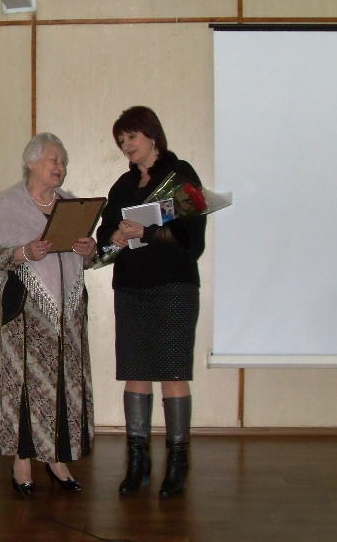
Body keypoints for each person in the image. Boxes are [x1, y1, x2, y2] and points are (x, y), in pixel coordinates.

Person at [0, 132, 96, 496]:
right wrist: (24, 252)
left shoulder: (71, 204)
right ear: (31, 162)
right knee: (27, 387)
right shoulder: (9, 203)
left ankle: (57, 460)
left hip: (68, 315)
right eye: (54, 160)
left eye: (64, 162)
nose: (61, 167)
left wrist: (90, 250)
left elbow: (90, 261)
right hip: (26, 313)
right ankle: (22, 463)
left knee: (64, 385)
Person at [95, 106, 206, 498]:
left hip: (173, 286)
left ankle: (178, 464)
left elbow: (192, 241)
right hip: (130, 287)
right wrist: (115, 237)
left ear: (151, 135)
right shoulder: (123, 185)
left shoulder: (181, 174)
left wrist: (147, 231)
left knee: (173, 373)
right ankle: (138, 462)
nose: (127, 145)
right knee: (135, 371)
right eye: (121, 141)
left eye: (132, 137)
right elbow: (105, 233)